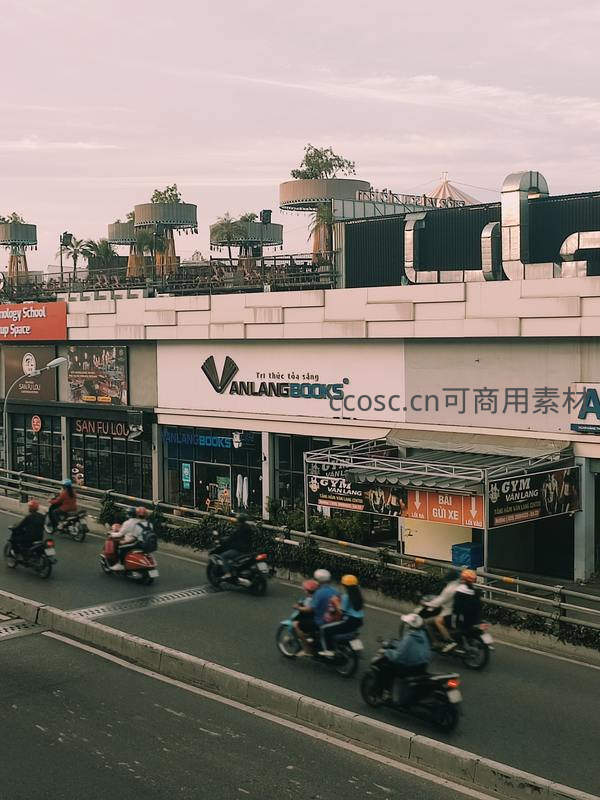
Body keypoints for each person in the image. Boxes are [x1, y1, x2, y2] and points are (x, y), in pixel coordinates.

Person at [377, 613, 431, 699]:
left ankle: (387, 693)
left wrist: (386, 652)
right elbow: (406, 647)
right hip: (422, 666)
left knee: (385, 667)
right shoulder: (422, 634)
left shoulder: (409, 638)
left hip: (410, 668)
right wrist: (393, 644)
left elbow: (397, 657)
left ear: (409, 625)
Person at [319, 574, 364, 657]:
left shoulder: (347, 596)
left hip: (349, 620)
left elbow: (341, 611)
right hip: (358, 621)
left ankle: (329, 650)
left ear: (345, 586)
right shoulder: (358, 596)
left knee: (324, 629)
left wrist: (335, 601)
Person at [423, 568, 461, 653]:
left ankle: (438, 642)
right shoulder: (460, 586)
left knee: (427, 622)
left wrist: (427, 604)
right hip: (459, 613)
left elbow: (439, 601)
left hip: (449, 613)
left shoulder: (449, 589)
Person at [311, 569, 339, 649]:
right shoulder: (335, 591)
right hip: (334, 619)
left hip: (322, 620)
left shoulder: (318, 592)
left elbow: (313, 607)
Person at [219, 513, 253, 579]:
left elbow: (231, 538)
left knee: (223, 556)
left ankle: (228, 573)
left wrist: (223, 540)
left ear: (238, 520)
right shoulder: (248, 527)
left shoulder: (239, 528)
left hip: (239, 550)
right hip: (248, 549)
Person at [293, 579, 319, 656]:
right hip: (316, 616)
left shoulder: (310, 600)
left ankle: (306, 648)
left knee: (296, 624)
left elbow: (308, 609)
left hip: (311, 618)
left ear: (307, 591)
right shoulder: (313, 597)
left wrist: (298, 607)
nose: (304, 591)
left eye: (305, 590)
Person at [452, 569, 482, 633]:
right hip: (476, 619)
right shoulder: (476, 592)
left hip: (464, 620)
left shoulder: (460, 592)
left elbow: (456, 608)